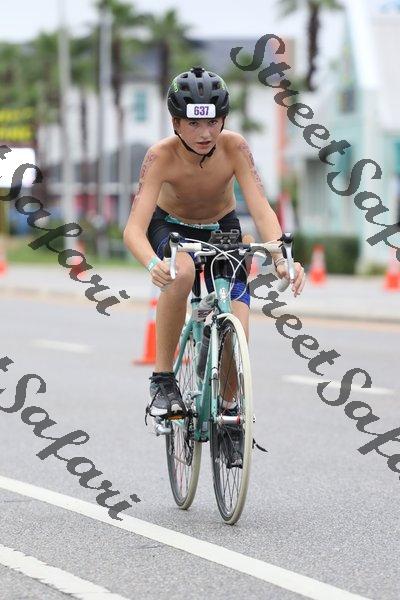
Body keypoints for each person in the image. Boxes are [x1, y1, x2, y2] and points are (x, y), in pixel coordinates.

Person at [123, 66, 306, 421]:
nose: (205, 133)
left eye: (213, 122)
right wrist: (153, 264)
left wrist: (281, 257)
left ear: (223, 119)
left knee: (239, 320)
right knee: (182, 272)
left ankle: (229, 408)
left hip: (222, 226)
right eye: (193, 123)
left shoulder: (235, 147)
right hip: (171, 227)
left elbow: (261, 208)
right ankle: (163, 381)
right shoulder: (160, 156)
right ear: (176, 123)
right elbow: (133, 229)